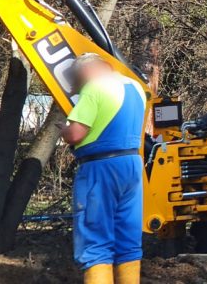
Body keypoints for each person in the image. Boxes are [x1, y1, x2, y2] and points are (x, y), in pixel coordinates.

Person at [60, 53, 146, 284]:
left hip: (99, 168)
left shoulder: (94, 87)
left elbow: (76, 133)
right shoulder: (136, 87)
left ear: (85, 71)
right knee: (128, 241)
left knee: (95, 240)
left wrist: (64, 129)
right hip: (131, 166)